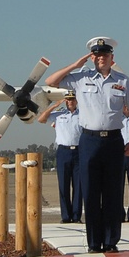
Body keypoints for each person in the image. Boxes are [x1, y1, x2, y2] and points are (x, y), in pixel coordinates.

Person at [45, 36, 129, 254]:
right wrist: (75, 65)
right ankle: (93, 243)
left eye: (104, 55)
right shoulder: (81, 78)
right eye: (96, 55)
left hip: (114, 140)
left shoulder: (123, 81)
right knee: (90, 193)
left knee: (112, 193)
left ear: (111, 57)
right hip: (88, 141)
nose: (100, 59)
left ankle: (110, 241)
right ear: (91, 57)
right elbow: (51, 81)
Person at [37, 91, 83, 224]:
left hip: (79, 151)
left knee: (78, 185)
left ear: (76, 101)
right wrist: (54, 106)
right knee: (63, 185)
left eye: (73, 99)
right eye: (68, 100)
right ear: (65, 101)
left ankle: (76, 216)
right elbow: (41, 119)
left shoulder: (83, 115)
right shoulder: (58, 115)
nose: (71, 102)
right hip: (63, 151)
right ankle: (65, 216)